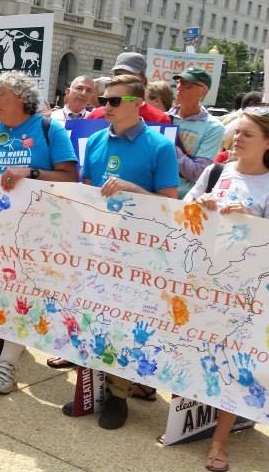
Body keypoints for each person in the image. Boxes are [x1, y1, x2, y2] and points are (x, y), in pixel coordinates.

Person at [62, 75, 179, 429]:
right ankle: (92, 389)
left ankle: (118, 395)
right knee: (94, 319)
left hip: (138, 254)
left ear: (135, 103)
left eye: (113, 101)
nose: (104, 107)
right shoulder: (96, 139)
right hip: (97, 247)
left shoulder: (159, 146)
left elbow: (171, 204)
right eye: (104, 100)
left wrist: (132, 190)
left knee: (126, 325)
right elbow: (85, 190)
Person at [185, 107, 269, 472]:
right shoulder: (216, 171)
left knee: (234, 365)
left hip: (245, 291)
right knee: (199, 355)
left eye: (248, 134)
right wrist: (198, 206)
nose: (238, 139)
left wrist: (251, 223)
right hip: (205, 280)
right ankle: (184, 424)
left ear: (268, 143)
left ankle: (220, 443)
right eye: (237, 132)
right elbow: (182, 209)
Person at [0, 71, 79, 394]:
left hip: (31, 233)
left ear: (20, 98)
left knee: (21, 299)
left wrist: (28, 173)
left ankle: (8, 363)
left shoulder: (49, 129)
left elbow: (70, 177)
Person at [168, 66, 225, 198]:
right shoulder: (163, 118)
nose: (179, 87)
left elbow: (199, 173)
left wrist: (169, 148)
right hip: (153, 193)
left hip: (184, 200)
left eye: (187, 85)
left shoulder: (214, 127)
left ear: (203, 91)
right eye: (179, 82)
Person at [86, 53, 171, 124]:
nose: (122, 79)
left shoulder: (160, 120)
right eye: (118, 75)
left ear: (143, 81)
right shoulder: (95, 116)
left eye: (129, 75)